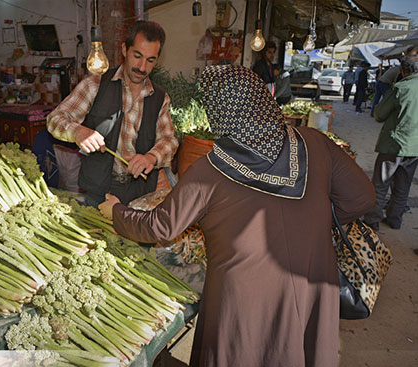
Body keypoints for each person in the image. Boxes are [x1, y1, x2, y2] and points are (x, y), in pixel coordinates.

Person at [99, 65, 375, 367]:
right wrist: (313, 225)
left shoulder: (209, 171)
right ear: (262, 99)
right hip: (312, 283)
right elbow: (362, 197)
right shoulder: (314, 142)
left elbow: (159, 227)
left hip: (243, 302)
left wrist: (116, 211)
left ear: (218, 112)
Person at [46, 21, 178, 207]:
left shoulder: (159, 97)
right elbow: (54, 120)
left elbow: (169, 140)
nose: (142, 67)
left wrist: (151, 157)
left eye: (150, 60)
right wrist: (78, 132)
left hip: (139, 194)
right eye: (137, 55)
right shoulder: (96, 84)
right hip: (99, 190)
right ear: (125, 49)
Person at [364, 55, 418, 230]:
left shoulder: (401, 88)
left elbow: (379, 114)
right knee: (403, 186)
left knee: (381, 184)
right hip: (414, 147)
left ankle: (372, 221)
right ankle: (395, 219)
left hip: (394, 145)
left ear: (403, 70)